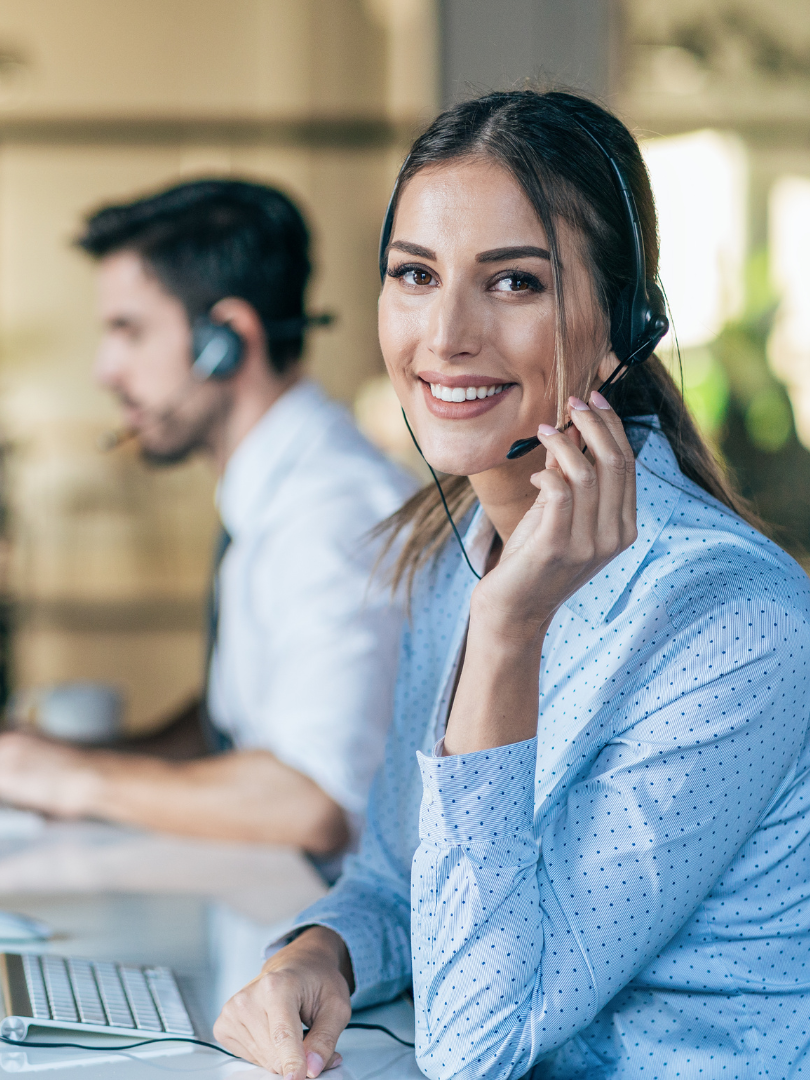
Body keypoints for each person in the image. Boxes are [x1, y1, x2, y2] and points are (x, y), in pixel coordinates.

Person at [212, 92, 810, 1080]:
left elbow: (477, 1041)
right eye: (415, 274)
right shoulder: (455, 556)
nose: (445, 335)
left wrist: (506, 634)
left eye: (514, 283)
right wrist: (322, 949)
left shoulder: (733, 624)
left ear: (625, 324)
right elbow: (402, 875)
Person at [0, 179, 414, 863]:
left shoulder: (331, 513)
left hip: (343, 951)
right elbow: (244, 728)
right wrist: (71, 759)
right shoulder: (273, 495)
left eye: (127, 330)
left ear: (226, 338)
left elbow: (315, 803)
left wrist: (74, 777)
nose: (106, 369)